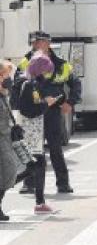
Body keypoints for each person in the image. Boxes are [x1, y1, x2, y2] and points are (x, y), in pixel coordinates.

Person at [18, 31, 80, 194]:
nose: (35, 45)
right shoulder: (26, 61)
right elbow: (18, 85)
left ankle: (63, 183)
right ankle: (29, 183)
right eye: (33, 42)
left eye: (38, 41)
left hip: (52, 112)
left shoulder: (61, 64)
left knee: (55, 148)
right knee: (32, 148)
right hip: (33, 113)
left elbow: (75, 84)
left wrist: (70, 102)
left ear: (47, 43)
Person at [17, 53, 60, 214]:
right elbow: (27, 110)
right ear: (39, 69)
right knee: (34, 166)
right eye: (45, 70)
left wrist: (45, 102)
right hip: (29, 134)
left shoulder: (34, 84)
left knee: (34, 167)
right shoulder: (29, 85)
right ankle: (39, 203)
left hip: (34, 134)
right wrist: (46, 104)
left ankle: (40, 203)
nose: (47, 73)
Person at [0, 61, 19, 220]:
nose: (7, 79)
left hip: (5, 138)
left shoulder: (4, 94)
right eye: (4, 75)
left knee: (10, 171)